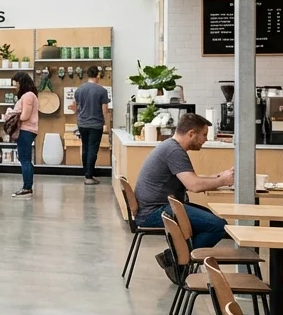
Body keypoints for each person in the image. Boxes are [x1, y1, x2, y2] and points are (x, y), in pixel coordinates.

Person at [134, 113, 232, 250]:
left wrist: (218, 177)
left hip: (154, 208)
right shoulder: (174, 151)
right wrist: (223, 181)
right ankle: (177, 259)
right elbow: (194, 185)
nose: (205, 139)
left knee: (212, 220)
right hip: (153, 212)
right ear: (191, 133)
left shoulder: (170, 147)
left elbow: (191, 179)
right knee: (218, 226)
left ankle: (179, 258)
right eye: (204, 135)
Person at [73, 66, 111, 185]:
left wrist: (78, 120)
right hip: (95, 124)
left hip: (82, 123)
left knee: (85, 148)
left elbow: (76, 107)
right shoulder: (102, 91)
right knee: (93, 150)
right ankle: (89, 177)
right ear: (98, 75)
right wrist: (108, 127)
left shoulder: (79, 90)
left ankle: (86, 173)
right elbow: (105, 110)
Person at [6, 72, 40, 198]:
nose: (15, 87)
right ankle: (28, 186)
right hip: (28, 130)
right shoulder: (30, 96)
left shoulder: (28, 96)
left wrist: (12, 113)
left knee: (24, 159)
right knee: (26, 159)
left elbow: (25, 116)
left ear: (22, 82)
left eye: (16, 84)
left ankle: (26, 187)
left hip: (25, 130)